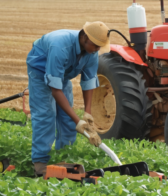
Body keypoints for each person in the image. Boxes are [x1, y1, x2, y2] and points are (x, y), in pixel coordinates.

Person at [26, 21, 110, 176]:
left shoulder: (91, 52)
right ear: (85, 37)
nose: (98, 49)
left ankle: (64, 157)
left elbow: (89, 81)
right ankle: (40, 165)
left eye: (100, 46)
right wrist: (78, 121)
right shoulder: (61, 46)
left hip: (62, 75)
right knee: (46, 115)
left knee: (67, 117)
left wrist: (87, 113)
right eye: (96, 45)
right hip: (40, 71)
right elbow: (55, 90)